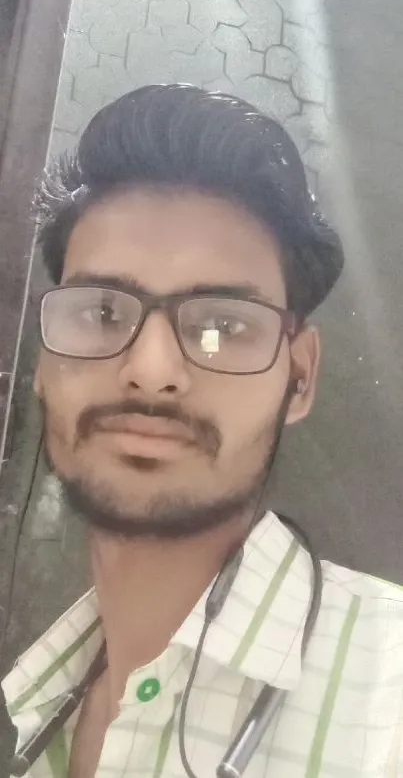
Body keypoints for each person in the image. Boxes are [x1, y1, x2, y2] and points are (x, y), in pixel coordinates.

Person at [3, 84, 403, 778]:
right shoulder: (39, 700)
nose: (151, 371)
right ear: (44, 362)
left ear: (299, 377)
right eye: (100, 313)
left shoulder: (387, 691)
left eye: (223, 324)